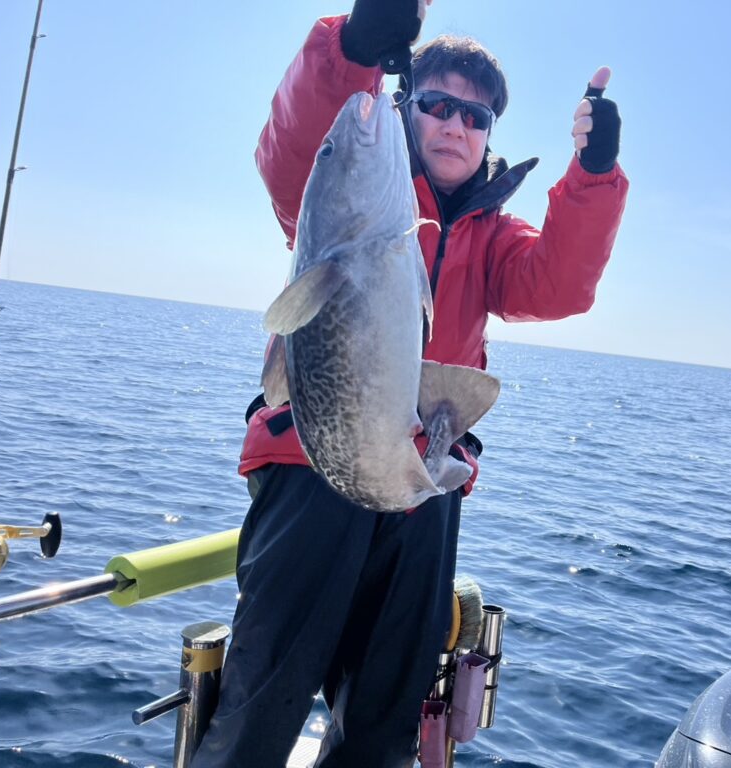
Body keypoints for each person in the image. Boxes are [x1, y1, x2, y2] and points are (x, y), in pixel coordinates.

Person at [193, 0, 628, 765]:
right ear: (405, 107)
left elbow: (560, 284)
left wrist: (593, 177)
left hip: (419, 486)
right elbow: (291, 153)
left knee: (384, 723)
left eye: (476, 116)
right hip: (311, 464)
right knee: (261, 707)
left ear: (489, 133)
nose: (456, 125)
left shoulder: (493, 236)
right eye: (437, 105)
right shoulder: (349, 188)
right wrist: (356, 46)